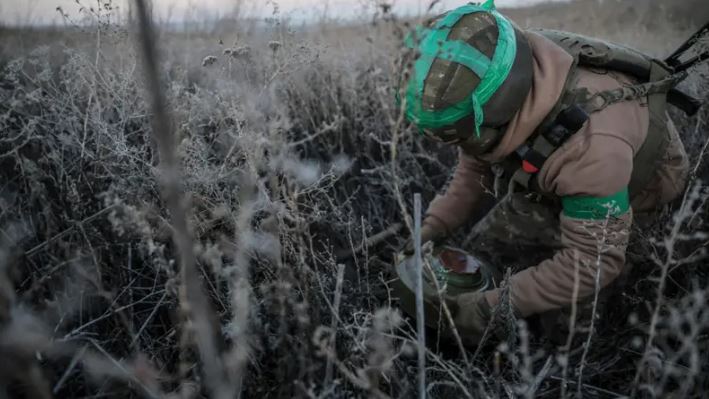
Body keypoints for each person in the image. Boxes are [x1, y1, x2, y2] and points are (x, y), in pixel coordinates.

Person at [396, 0, 692, 344]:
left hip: (635, 193)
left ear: (498, 114)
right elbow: (474, 166)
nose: (461, 144)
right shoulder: (501, 64)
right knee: (484, 259)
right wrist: (430, 229)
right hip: (559, 173)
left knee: (564, 338)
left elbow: (592, 262)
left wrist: (491, 309)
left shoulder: (592, 148)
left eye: (464, 134)